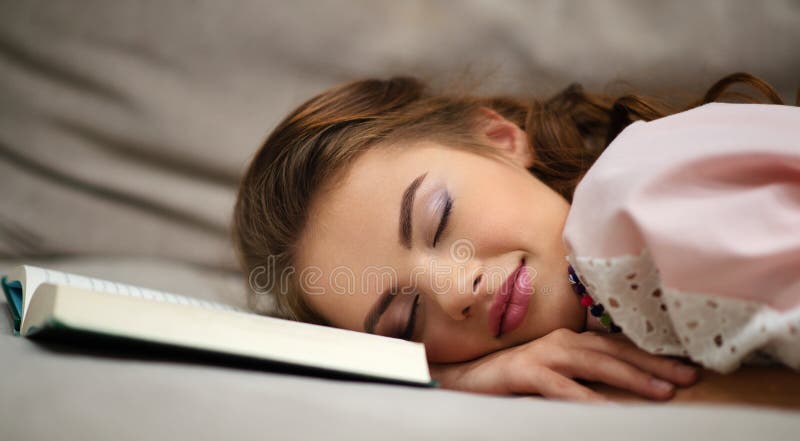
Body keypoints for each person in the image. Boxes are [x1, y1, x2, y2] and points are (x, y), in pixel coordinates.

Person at [231, 72, 799, 403]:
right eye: (406, 319)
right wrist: (455, 377)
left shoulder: (631, 203)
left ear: (501, 138)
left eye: (439, 218)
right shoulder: (605, 291)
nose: (455, 292)